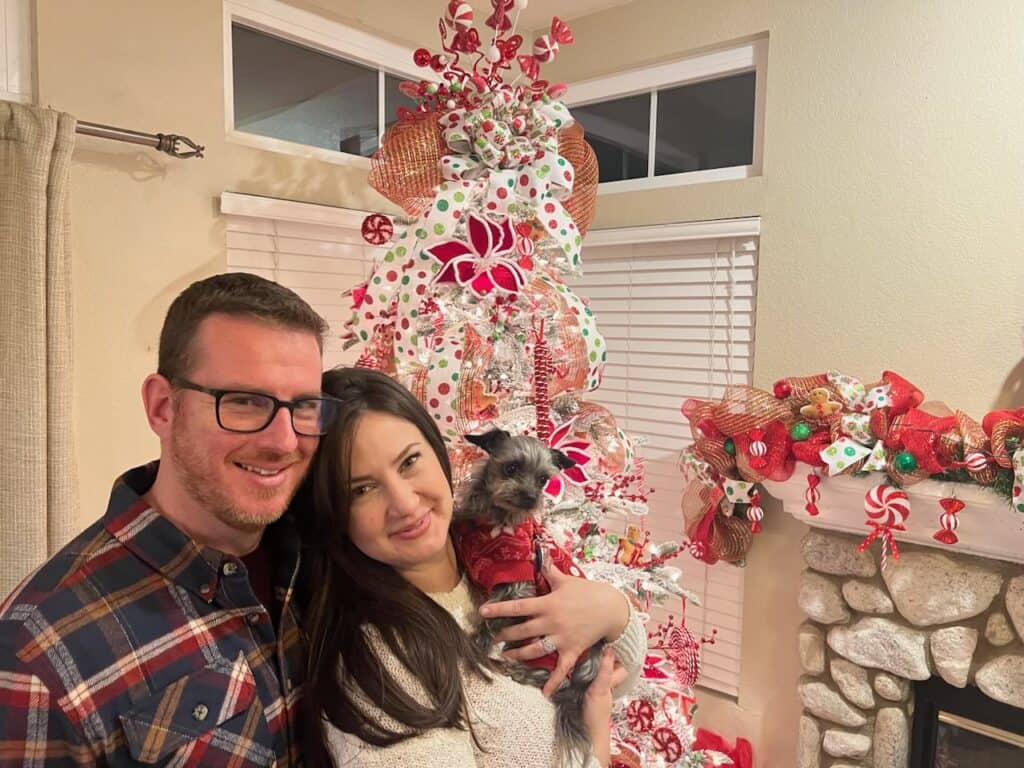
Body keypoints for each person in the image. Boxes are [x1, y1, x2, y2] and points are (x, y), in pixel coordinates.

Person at [0, 272, 334, 767]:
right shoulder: (39, 653)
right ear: (162, 407)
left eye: (303, 406)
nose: (285, 441)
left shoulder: (322, 562)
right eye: (244, 402)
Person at [297, 367, 646, 768]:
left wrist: (613, 610)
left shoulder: (493, 549)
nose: (406, 504)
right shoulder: (375, 665)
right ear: (333, 512)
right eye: (361, 489)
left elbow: (621, 672)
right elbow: (601, 699)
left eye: (409, 461)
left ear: (437, 451)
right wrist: (597, 741)